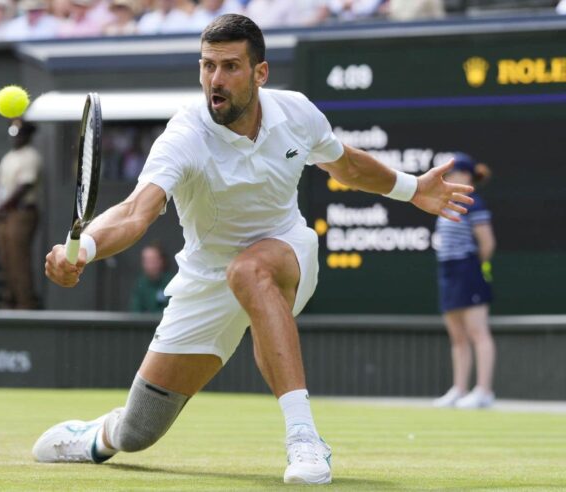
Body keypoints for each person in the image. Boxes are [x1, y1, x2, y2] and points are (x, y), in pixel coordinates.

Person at [35, 14, 473, 485]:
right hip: (205, 280)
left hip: (284, 252)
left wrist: (411, 188)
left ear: (260, 74)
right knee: (139, 431)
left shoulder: (297, 113)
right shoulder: (185, 135)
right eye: (207, 67)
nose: (215, 81)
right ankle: (96, 436)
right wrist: (88, 247)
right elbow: (136, 211)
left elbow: (346, 166)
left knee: (251, 271)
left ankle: (305, 439)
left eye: (229, 67)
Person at [432, 153, 496, 410]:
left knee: (478, 333)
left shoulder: (474, 203)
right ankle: (459, 389)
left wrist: (473, 267)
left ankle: (483, 391)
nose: (446, 178)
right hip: (447, 272)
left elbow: (488, 243)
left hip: (468, 270)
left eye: (451, 173)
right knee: (458, 337)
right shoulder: (445, 203)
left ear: (466, 176)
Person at [0, 119, 41, 309]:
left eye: (19, 134)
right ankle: (10, 301)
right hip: (5, 214)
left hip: (20, 212)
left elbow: (25, 185)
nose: (16, 138)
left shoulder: (30, 156)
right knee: (6, 260)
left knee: (19, 261)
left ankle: (26, 304)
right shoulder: (9, 156)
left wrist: (2, 205)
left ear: (27, 135)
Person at [129, 242, 173, 312]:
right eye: (146, 261)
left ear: (161, 260)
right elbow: (135, 312)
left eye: (153, 260)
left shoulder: (171, 282)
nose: (149, 265)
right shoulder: (140, 283)